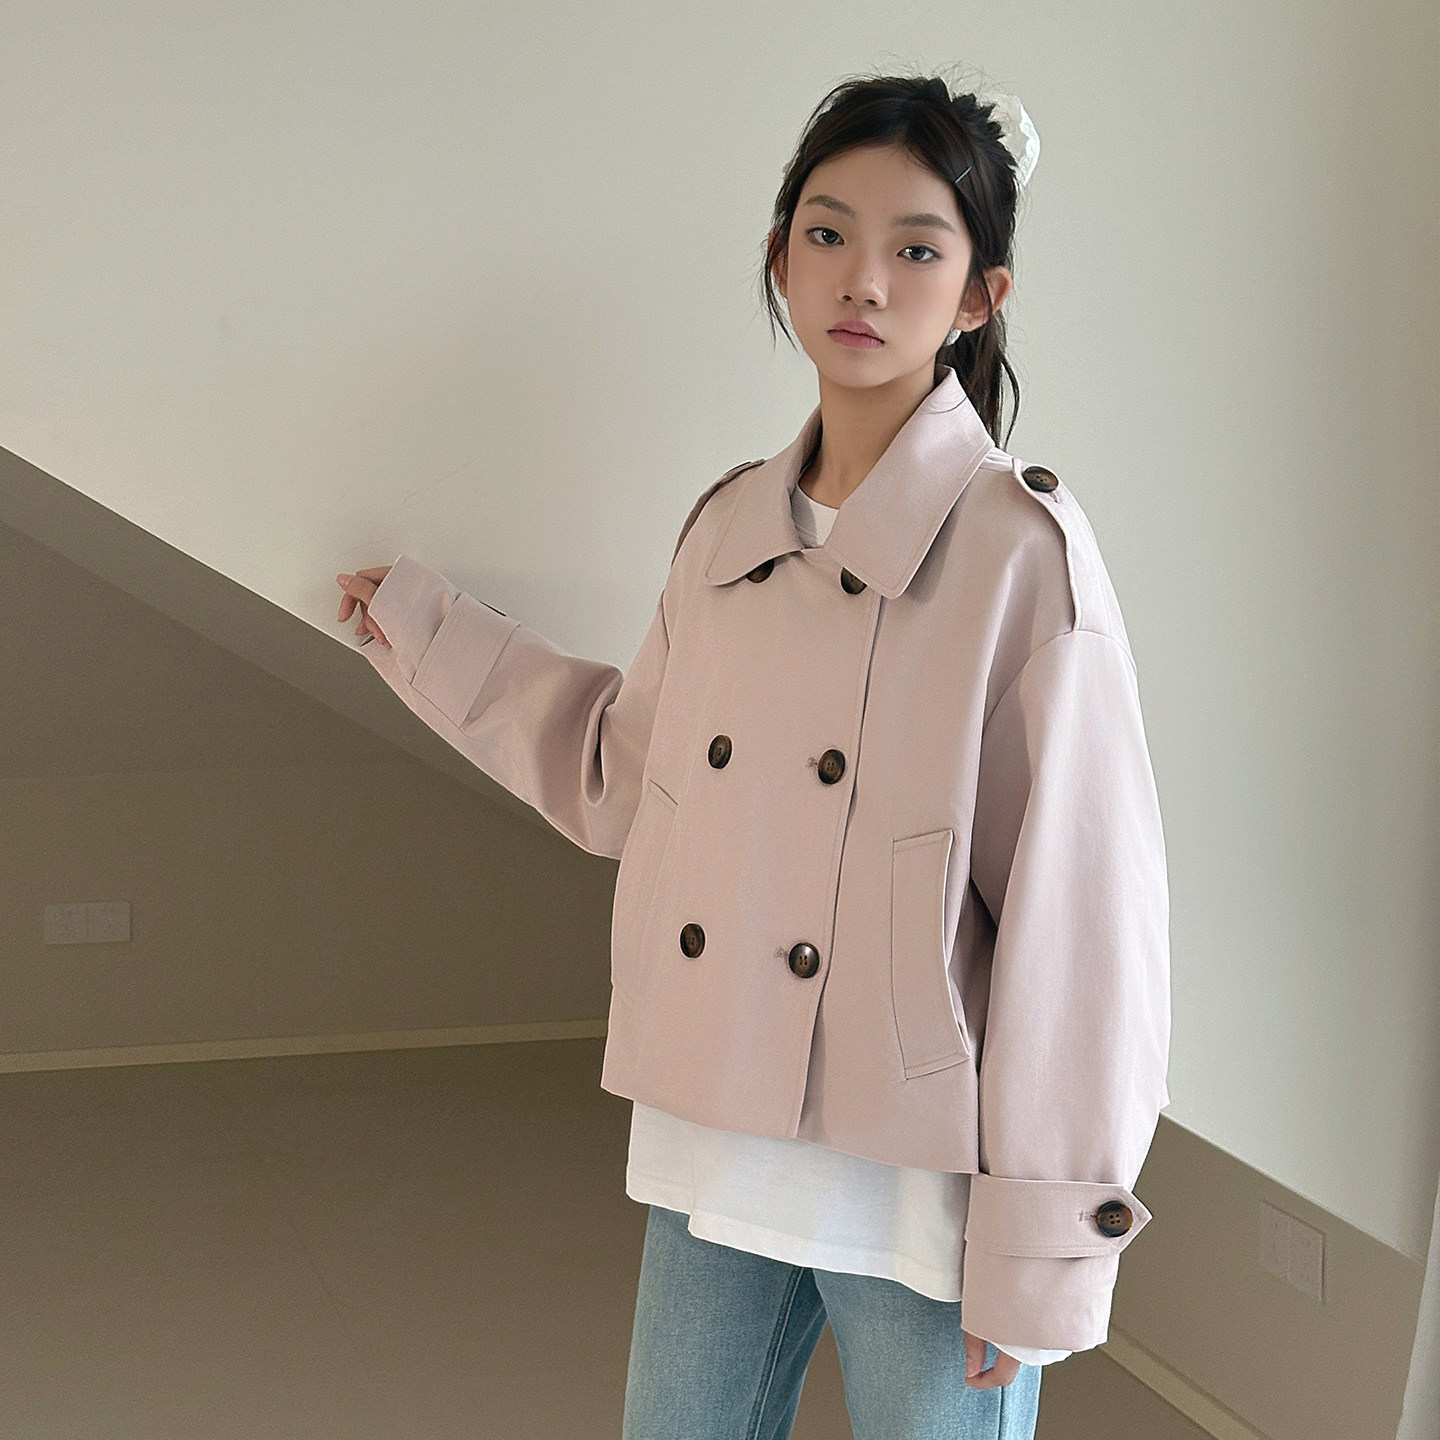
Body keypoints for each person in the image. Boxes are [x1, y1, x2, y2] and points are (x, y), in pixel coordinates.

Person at [335, 69, 1170, 1440]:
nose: (864, 280)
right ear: (781, 256)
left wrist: (1043, 1241)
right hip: (718, 1135)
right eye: (828, 233)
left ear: (980, 296)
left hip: (916, 1182)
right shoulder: (729, 524)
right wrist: (431, 637)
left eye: (917, 249)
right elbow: (625, 777)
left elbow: (1083, 927)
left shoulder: (1022, 555)